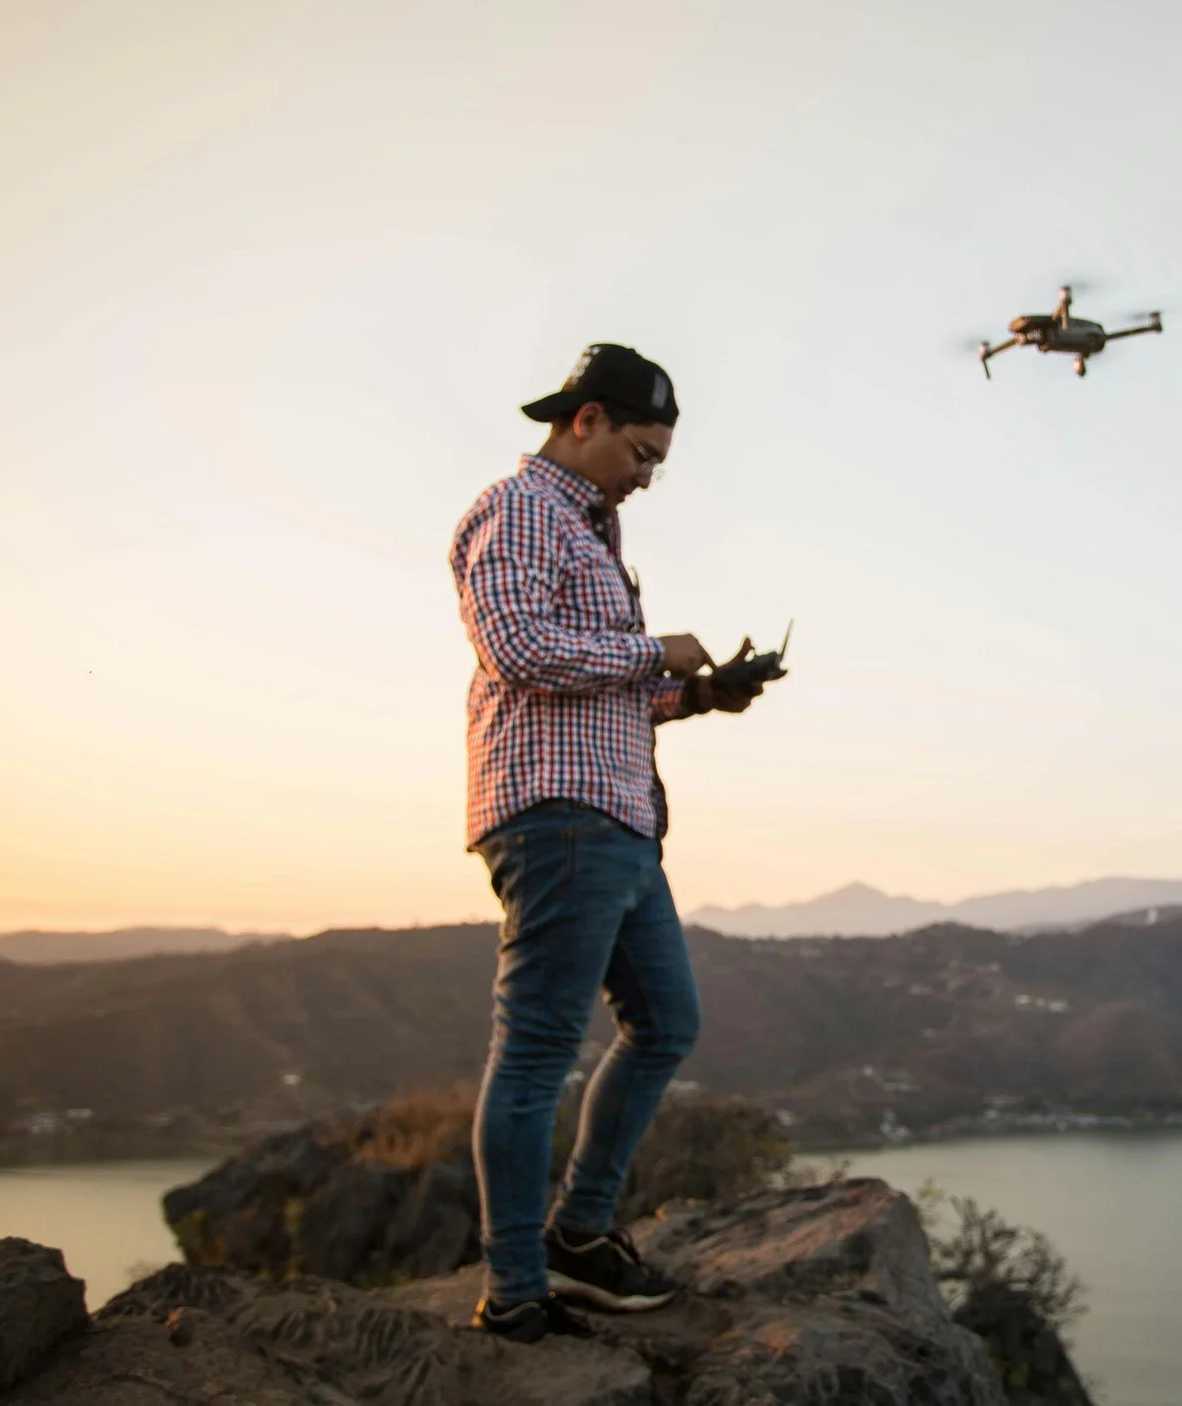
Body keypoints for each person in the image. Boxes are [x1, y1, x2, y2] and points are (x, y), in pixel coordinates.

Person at [448, 343, 770, 1343]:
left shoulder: (590, 529)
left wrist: (704, 692)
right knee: (537, 1052)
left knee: (666, 1022)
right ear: (585, 419)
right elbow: (517, 649)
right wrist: (650, 647)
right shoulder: (519, 510)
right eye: (642, 448)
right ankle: (513, 1291)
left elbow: (604, 692)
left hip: (620, 817)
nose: (649, 471)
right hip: (559, 817)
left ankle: (579, 1236)